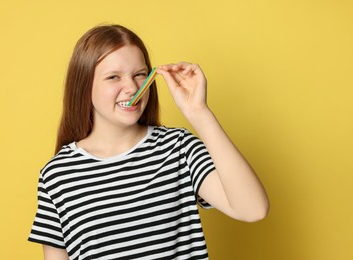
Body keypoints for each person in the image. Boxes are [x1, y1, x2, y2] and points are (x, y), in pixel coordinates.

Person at [28, 24, 269, 260]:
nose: (132, 87)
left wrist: (199, 113)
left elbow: (253, 209)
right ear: (84, 85)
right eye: (113, 77)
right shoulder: (57, 175)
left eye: (140, 75)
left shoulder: (178, 148)